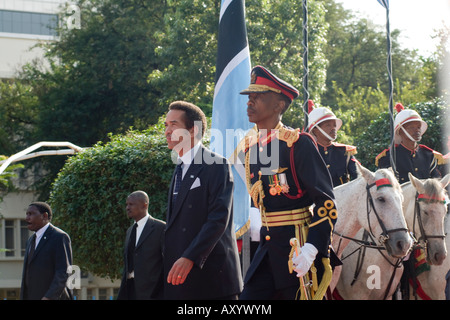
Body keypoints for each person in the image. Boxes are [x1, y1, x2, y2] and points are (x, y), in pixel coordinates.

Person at [238, 65, 338, 300]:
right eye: (249, 97)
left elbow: (326, 202)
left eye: (258, 97)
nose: (249, 103)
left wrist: (312, 248)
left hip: (298, 248)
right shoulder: (250, 147)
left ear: (279, 105)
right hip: (266, 250)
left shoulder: (298, 144)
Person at [163, 100, 243, 300]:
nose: (167, 131)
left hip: (213, 280)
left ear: (193, 131)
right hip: (182, 280)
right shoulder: (178, 169)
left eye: (174, 125)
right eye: (166, 125)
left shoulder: (216, 165)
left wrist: (190, 257)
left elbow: (218, 219)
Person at [376, 103, 446, 183]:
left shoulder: (428, 155)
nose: (417, 130)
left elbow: (437, 182)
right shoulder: (388, 157)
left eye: (418, 127)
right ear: (400, 130)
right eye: (411, 127)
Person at [117, 191, 166, 300]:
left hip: (152, 292)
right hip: (129, 290)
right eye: (127, 204)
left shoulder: (160, 228)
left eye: (131, 204)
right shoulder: (129, 231)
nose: (127, 208)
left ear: (145, 205)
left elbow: (167, 261)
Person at [20, 202, 73, 300]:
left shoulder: (59, 237)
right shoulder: (30, 241)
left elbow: (63, 272)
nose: (27, 218)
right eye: (27, 214)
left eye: (31, 214)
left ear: (44, 216)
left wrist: (49, 297)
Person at [307, 100, 358, 187]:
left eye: (334, 125)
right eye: (328, 125)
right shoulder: (307, 152)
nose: (333, 128)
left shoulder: (345, 151)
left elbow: (359, 175)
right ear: (315, 129)